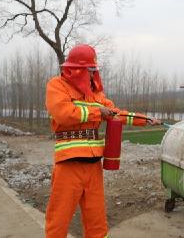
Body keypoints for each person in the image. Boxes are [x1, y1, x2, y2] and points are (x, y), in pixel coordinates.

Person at [45, 44, 160, 238]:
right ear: (76, 70)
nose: (92, 75)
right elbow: (64, 114)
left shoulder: (96, 95)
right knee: (59, 218)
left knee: (96, 220)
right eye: (90, 71)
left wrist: (144, 119)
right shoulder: (57, 86)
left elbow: (116, 114)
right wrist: (98, 111)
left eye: (94, 71)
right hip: (68, 166)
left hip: (93, 166)